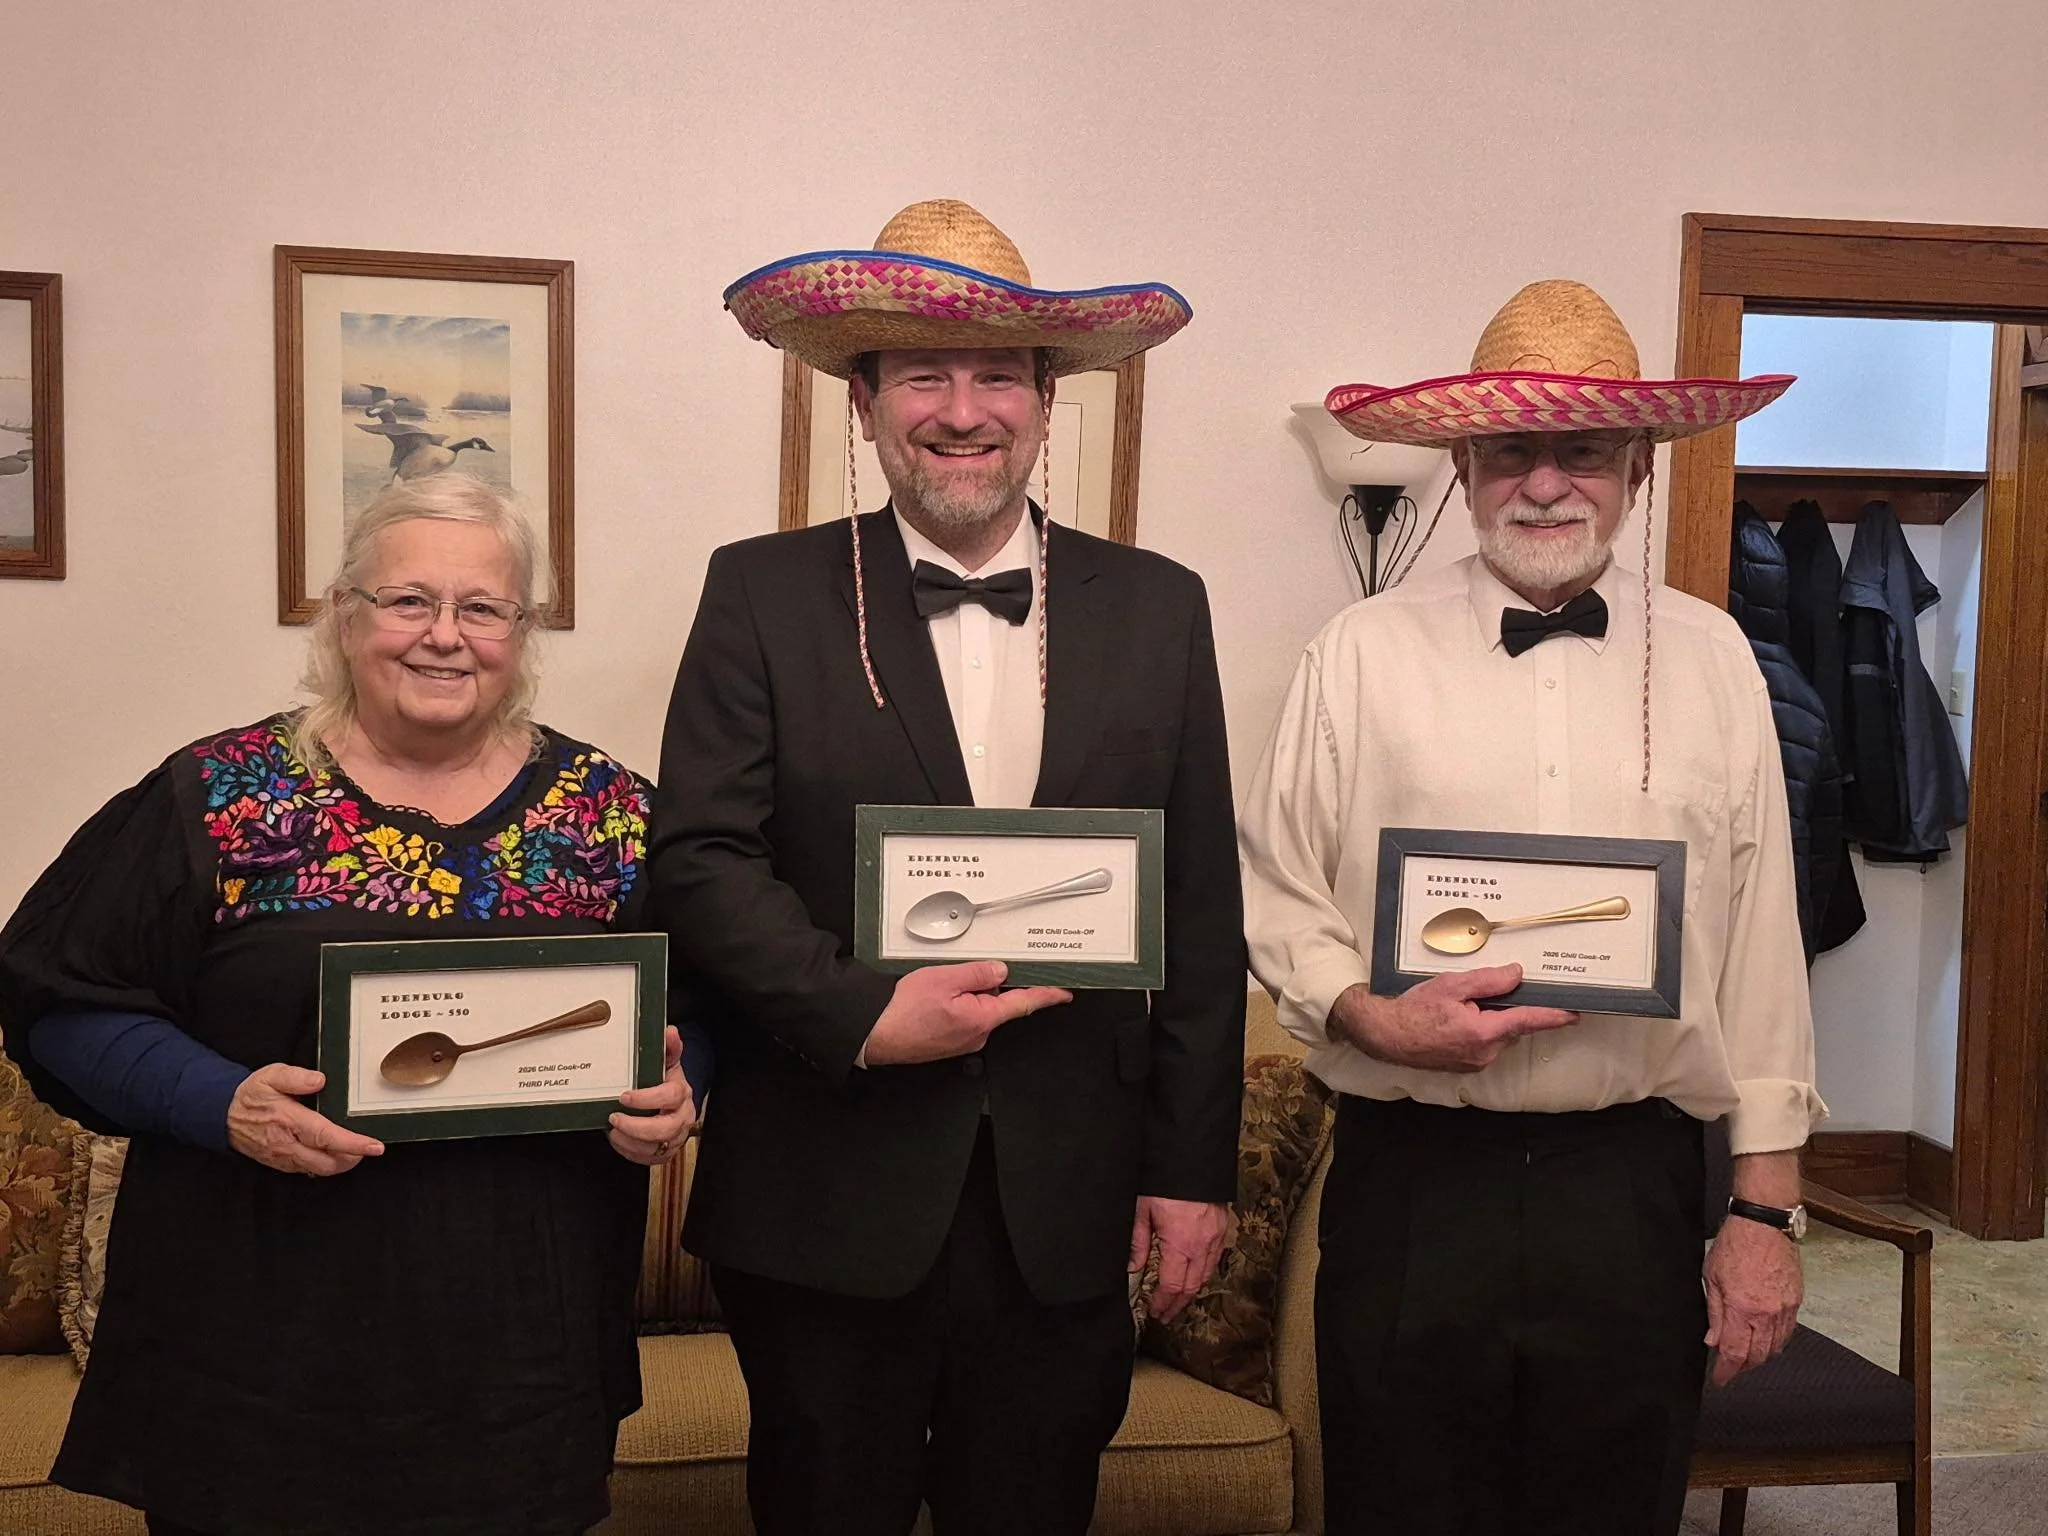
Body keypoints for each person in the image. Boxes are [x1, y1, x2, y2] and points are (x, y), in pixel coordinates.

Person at [653, 198, 1245, 1536]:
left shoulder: (1160, 606)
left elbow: (1201, 909)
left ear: (1047, 401)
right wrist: (860, 1009)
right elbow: (698, 859)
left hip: (1069, 1191)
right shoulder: (761, 589)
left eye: (997, 374)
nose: (961, 407)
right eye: (924, 371)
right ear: (863, 401)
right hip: (824, 1179)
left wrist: (1193, 1170)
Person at [0, 475, 698, 1536]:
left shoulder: (613, 815)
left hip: (517, 1365)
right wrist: (217, 1098)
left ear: (524, 630)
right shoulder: (223, 794)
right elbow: (56, 1003)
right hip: (253, 1357)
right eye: (406, 600)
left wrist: (686, 1089)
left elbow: (715, 1003)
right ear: (343, 613)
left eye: (482, 608)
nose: (443, 637)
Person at [1238, 279, 1826, 1536]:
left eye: (1583, 452)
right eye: (1512, 450)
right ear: (1461, 463)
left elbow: (1762, 947)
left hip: (1627, 1187)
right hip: (1412, 1184)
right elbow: (1278, 891)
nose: (1545, 484)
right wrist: (1368, 1015)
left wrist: (1762, 1212)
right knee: (1398, 1510)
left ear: (1638, 474)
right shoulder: (1358, 650)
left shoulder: (1719, 658)